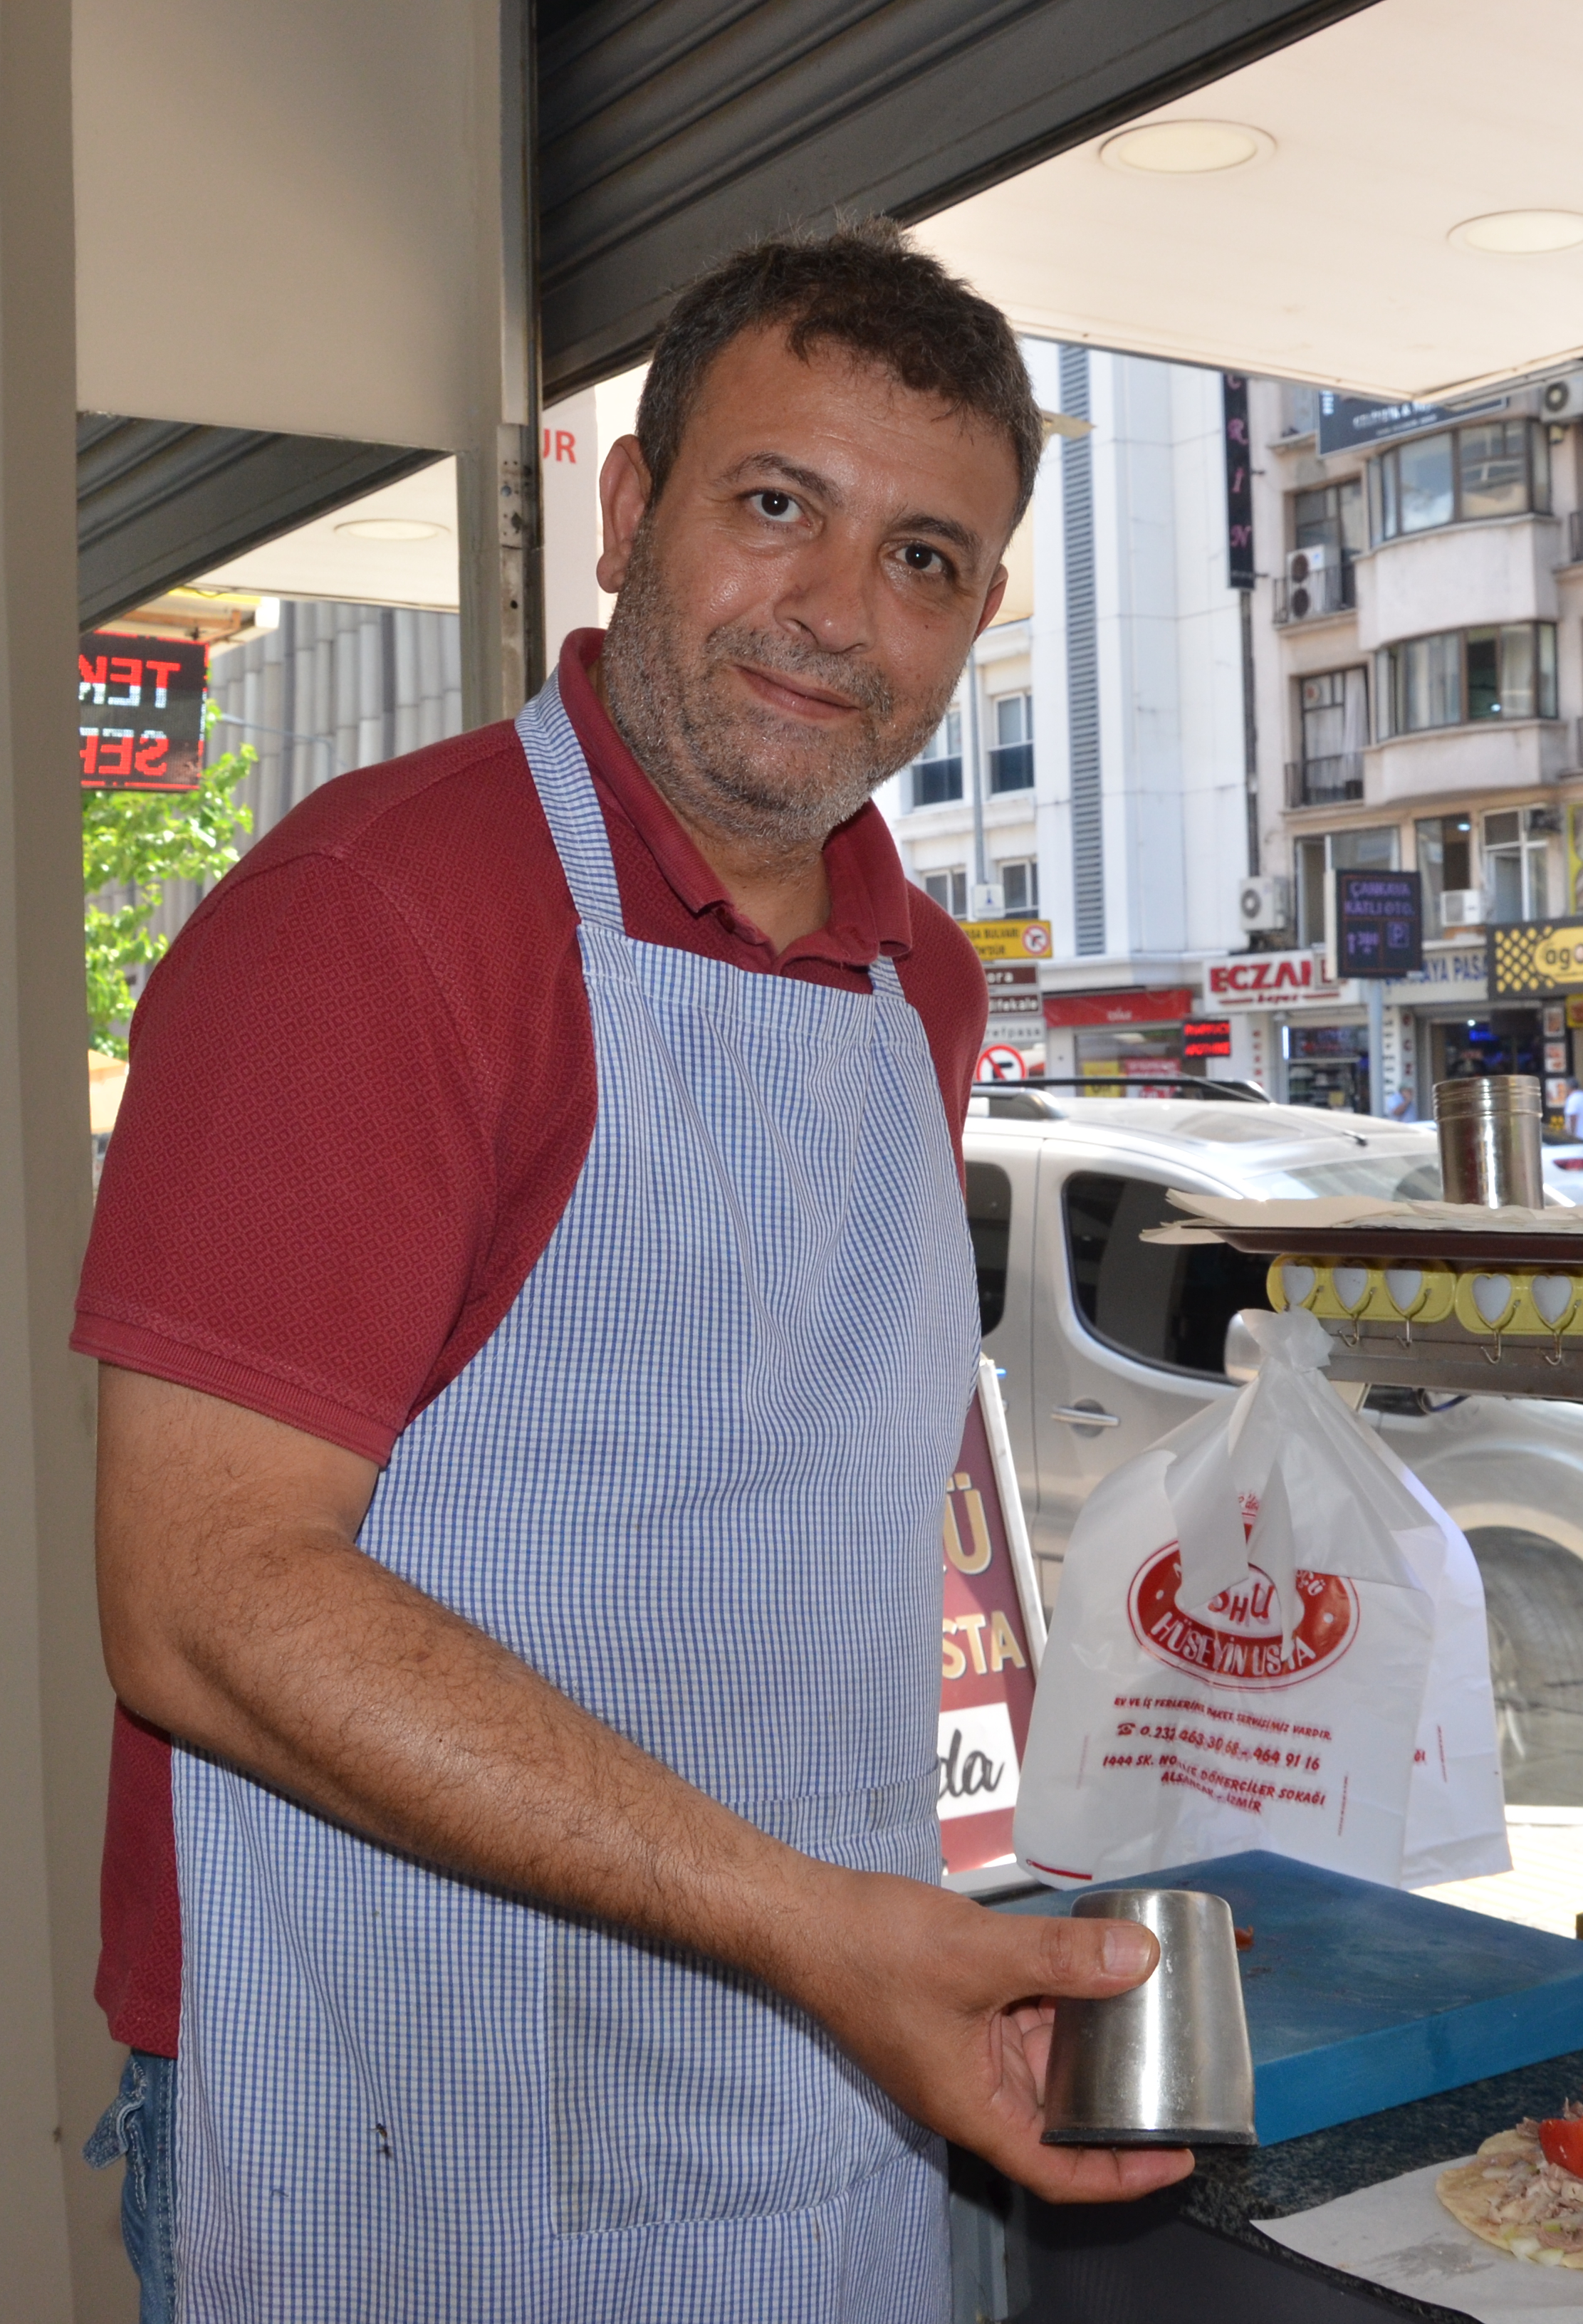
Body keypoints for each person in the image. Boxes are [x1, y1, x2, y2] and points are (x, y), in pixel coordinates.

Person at [73, 224, 1184, 2324]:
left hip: (799, 2063)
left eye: (923, 558)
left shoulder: (915, 983)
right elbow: (203, 1600)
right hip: (390, 2069)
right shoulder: (367, 923)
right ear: (624, 514)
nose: (835, 612)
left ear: (976, 625)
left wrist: (859, 1933)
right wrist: (800, 1920)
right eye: (778, 506)